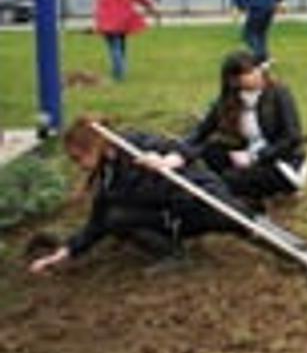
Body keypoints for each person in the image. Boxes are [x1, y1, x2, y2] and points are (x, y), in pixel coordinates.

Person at [26, 115, 253, 273]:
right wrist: (63, 253)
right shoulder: (107, 175)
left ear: (93, 147)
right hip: (172, 216)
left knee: (241, 220)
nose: (78, 165)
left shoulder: (135, 144)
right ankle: (173, 253)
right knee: (113, 218)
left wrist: (165, 161)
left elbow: (188, 149)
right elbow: (96, 223)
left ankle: (252, 220)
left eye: (78, 158)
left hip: (198, 201)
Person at [184, 51, 307, 210]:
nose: (256, 74)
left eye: (256, 68)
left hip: (285, 164)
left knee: (228, 179)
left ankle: (257, 197)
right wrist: (176, 150)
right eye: (248, 72)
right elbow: (202, 131)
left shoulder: (279, 92)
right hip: (248, 156)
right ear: (233, 80)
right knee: (210, 151)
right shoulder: (230, 99)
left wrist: (254, 157)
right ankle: (241, 193)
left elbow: (292, 138)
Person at [74, 0, 159, 82]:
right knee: (121, 44)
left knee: (114, 46)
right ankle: (121, 69)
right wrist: (152, 8)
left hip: (107, 20)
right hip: (124, 19)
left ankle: (119, 74)